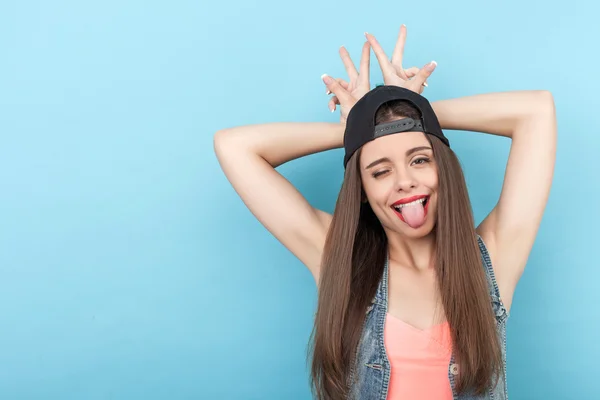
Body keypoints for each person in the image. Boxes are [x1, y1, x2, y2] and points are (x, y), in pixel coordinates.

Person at [213, 25, 556, 400]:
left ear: (443, 167)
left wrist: (407, 111)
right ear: (362, 190)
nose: (405, 182)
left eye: (420, 159)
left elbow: (536, 111)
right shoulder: (339, 258)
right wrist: (359, 125)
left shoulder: (493, 256)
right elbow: (234, 147)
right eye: (380, 171)